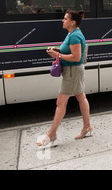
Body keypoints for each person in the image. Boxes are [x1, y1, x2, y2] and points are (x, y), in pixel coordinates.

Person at [37, 10, 91, 146]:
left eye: (65, 19)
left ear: (72, 22)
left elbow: (76, 57)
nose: (63, 20)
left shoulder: (75, 36)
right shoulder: (72, 33)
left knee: (61, 103)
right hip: (73, 71)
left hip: (73, 72)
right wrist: (57, 50)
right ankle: (87, 127)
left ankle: (51, 135)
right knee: (81, 97)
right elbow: (69, 51)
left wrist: (57, 56)